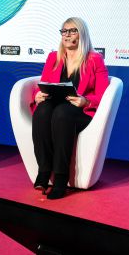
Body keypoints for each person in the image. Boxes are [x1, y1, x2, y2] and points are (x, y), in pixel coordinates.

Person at [30, 17, 109, 199]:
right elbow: (42, 83)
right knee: (42, 110)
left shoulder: (95, 60)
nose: (66, 35)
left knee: (62, 112)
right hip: (56, 109)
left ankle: (60, 178)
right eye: (64, 31)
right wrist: (38, 95)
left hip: (80, 114)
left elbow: (102, 95)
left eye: (72, 31)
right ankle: (43, 171)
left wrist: (86, 101)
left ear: (81, 34)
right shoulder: (53, 57)